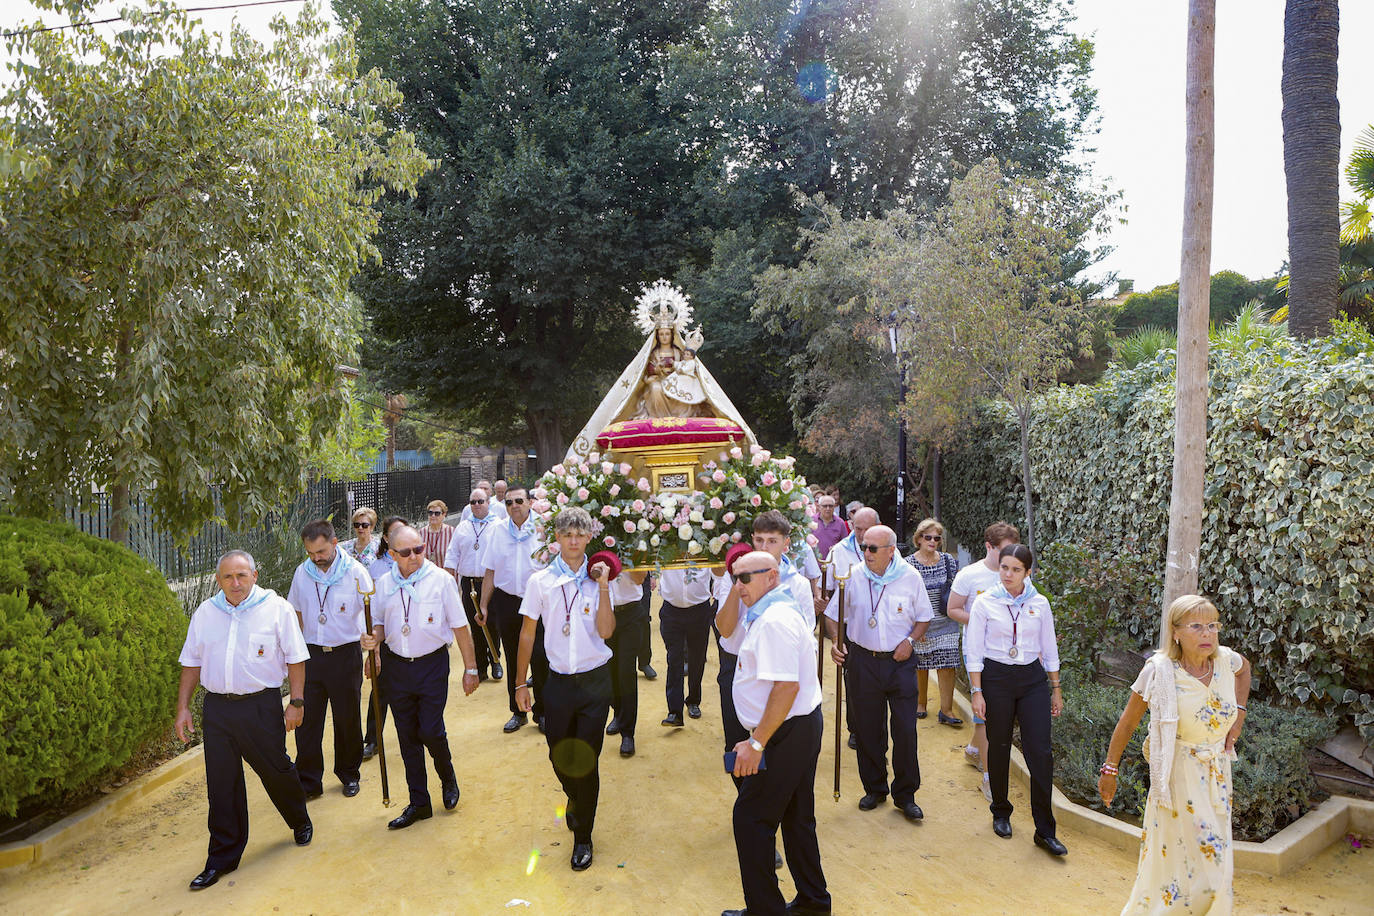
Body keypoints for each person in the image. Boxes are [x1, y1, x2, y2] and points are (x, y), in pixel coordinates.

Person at [1099, 595, 1251, 915]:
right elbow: (1128, 722)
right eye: (1197, 626)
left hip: (1218, 774)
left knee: (1215, 859)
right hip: (1177, 777)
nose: (1208, 633)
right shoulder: (1160, 671)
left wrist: (1238, 715)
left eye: (1212, 625)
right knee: (1194, 860)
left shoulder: (1226, 660)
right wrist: (1110, 770)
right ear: (1176, 632)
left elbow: (1245, 670)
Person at [174, 550, 312, 891]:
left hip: (260, 706)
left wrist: (296, 702)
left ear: (254, 575)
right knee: (222, 784)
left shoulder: (276, 609)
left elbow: (296, 659)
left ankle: (299, 819)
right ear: (218, 580)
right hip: (218, 709)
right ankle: (221, 857)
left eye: (241, 576)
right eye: (227, 577)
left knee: (277, 769)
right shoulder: (206, 613)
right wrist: (183, 707)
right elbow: (191, 662)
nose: (235, 584)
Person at [720, 551, 828, 916]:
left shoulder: (774, 620)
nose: (739, 586)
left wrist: (756, 742)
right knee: (796, 819)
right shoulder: (770, 612)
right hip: (793, 727)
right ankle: (813, 903)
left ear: (771, 577)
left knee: (750, 819)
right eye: (735, 578)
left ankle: (766, 911)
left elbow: (786, 688)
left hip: (787, 730)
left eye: (746, 578)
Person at [513, 507, 616, 871]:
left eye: (580, 534)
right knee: (560, 756)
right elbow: (527, 633)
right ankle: (574, 799)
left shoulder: (600, 577)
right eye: (566, 534)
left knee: (586, 762)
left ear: (589, 537)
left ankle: (583, 836)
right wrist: (520, 681)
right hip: (555, 682)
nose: (573, 540)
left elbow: (606, 631)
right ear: (556, 538)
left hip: (594, 682)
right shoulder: (540, 581)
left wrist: (602, 585)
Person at [359, 524, 480, 830]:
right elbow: (380, 624)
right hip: (397, 666)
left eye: (419, 549)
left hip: (432, 665)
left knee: (430, 729)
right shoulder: (383, 583)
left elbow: (460, 626)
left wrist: (471, 668)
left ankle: (447, 776)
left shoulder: (440, 580)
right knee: (407, 736)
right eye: (406, 552)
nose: (414, 557)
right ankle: (419, 802)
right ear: (392, 554)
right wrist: (372, 642)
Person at [825, 525, 932, 820]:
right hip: (862, 661)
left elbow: (924, 618)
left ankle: (906, 794)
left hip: (900, 663)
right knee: (868, 729)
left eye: (873, 548)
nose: (866, 553)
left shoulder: (910, 577)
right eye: (864, 547)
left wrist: (909, 642)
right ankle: (874, 788)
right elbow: (833, 615)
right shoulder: (853, 576)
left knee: (905, 730)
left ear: (891, 550)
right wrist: (836, 640)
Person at [967, 544, 1066, 855]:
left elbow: (1048, 648)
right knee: (999, 745)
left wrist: (1056, 688)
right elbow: (974, 651)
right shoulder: (985, 603)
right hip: (996, 678)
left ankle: (1045, 830)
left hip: (1032, 680)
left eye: (1015, 569)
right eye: (1004, 568)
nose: (1008, 574)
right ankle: (1000, 810)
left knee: (1041, 752)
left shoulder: (1040, 603)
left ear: (1028, 572)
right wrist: (977, 691)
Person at [286, 519, 374, 800]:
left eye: (321, 552)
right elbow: (296, 612)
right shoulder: (303, 572)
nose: (316, 559)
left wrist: (374, 653)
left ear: (335, 543)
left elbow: (372, 617)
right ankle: (309, 781)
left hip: (344, 655)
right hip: (310, 656)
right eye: (311, 553)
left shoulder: (356, 573)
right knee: (307, 722)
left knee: (347, 719)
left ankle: (349, 774)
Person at [947, 520, 1021, 800]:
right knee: (989, 712)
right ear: (989, 547)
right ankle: (990, 778)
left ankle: (974, 750)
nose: (1009, 557)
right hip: (977, 651)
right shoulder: (970, 574)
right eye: (1003, 550)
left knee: (992, 712)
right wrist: (982, 621)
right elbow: (952, 609)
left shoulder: (1018, 574)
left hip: (1009, 653)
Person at [478, 486, 549, 732]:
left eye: (519, 501)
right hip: (507, 601)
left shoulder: (544, 527)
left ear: (529, 502)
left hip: (539, 601)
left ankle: (542, 711)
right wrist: (484, 605)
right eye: (509, 502)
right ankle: (517, 712)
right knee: (511, 655)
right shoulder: (497, 530)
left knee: (540, 655)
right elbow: (490, 570)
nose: (514, 506)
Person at [828, 506, 878, 750]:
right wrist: (835, 636)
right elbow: (831, 591)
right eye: (857, 528)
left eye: (866, 529)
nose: (861, 534)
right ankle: (856, 728)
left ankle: (876, 728)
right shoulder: (838, 551)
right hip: (850, 625)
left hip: (881, 625)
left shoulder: (888, 548)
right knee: (854, 681)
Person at [904, 518, 962, 725]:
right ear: (918, 539)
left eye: (936, 538)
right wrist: (915, 626)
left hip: (946, 621)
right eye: (927, 537)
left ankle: (946, 710)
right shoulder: (908, 563)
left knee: (948, 665)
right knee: (921, 665)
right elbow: (906, 595)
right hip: (921, 622)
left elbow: (955, 589)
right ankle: (920, 704)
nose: (932, 541)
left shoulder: (948, 560)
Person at [362, 515, 410, 758]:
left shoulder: (416, 562)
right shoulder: (377, 567)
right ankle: (372, 739)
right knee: (380, 692)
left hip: (412, 641)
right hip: (388, 639)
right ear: (385, 538)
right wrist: (376, 652)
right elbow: (373, 613)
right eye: (394, 533)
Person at [444, 488, 503, 681]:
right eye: (473, 502)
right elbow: (452, 554)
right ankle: (480, 665)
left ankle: (495, 660)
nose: (476, 505)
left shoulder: (498, 525)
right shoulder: (463, 526)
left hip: (490, 583)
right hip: (468, 583)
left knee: (492, 624)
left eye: (480, 501)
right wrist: (449, 581)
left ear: (488, 503)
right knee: (474, 625)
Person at [657, 566, 715, 727]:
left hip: (699, 609)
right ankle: (674, 712)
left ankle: (693, 700)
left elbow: (718, 572)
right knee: (674, 660)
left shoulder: (703, 545)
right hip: (671, 610)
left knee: (697, 659)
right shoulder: (667, 543)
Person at [604, 565, 650, 755]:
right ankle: (618, 713)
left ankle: (628, 733)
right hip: (606, 613)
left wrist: (623, 558)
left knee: (626, 671)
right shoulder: (598, 542)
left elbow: (639, 579)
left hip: (631, 613)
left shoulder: (634, 542)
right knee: (610, 670)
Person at [812, 494, 850, 561]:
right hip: (814, 562)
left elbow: (846, 544)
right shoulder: (811, 521)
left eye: (830, 506)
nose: (828, 508)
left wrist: (837, 548)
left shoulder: (840, 523)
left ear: (834, 507)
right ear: (819, 506)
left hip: (833, 562)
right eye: (825, 506)